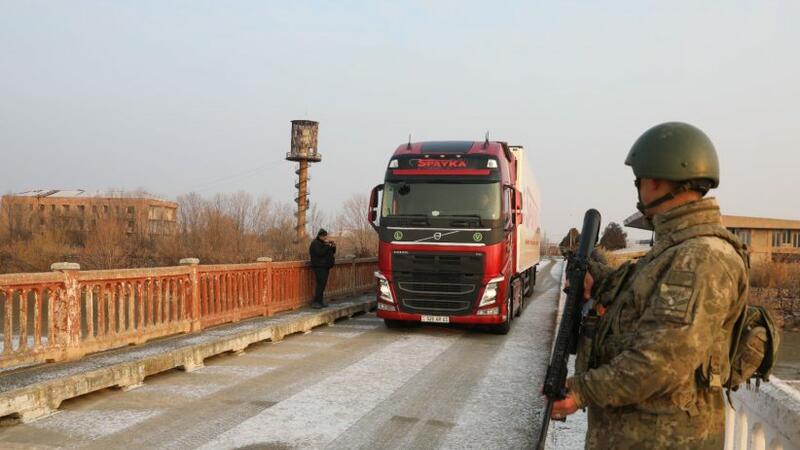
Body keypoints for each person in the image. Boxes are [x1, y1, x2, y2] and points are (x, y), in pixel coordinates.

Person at [551, 122, 750, 449]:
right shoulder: (674, 251)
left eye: (640, 180)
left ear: (655, 180)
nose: (639, 189)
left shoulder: (701, 258)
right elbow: (634, 297)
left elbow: (660, 362)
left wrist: (581, 391)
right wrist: (594, 278)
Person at [309, 228, 336, 309]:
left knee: (322, 285)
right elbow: (320, 253)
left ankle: (320, 301)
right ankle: (316, 302)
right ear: (320, 236)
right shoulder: (315, 243)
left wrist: (333, 246)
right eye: (324, 236)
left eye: (325, 236)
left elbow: (332, 252)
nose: (325, 238)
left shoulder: (323, 243)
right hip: (319, 267)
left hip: (325, 266)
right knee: (320, 285)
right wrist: (327, 246)